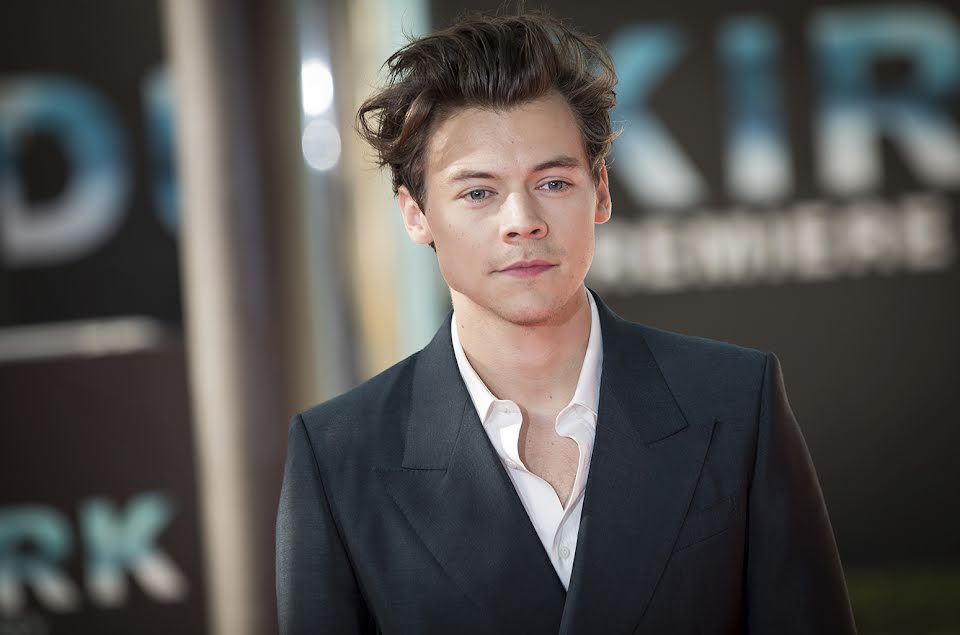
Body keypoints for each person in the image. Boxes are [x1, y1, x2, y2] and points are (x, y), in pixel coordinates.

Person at [276, 11, 857, 634]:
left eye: (553, 182)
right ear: (416, 214)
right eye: (478, 193)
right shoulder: (339, 455)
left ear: (600, 191)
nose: (522, 221)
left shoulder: (737, 401)